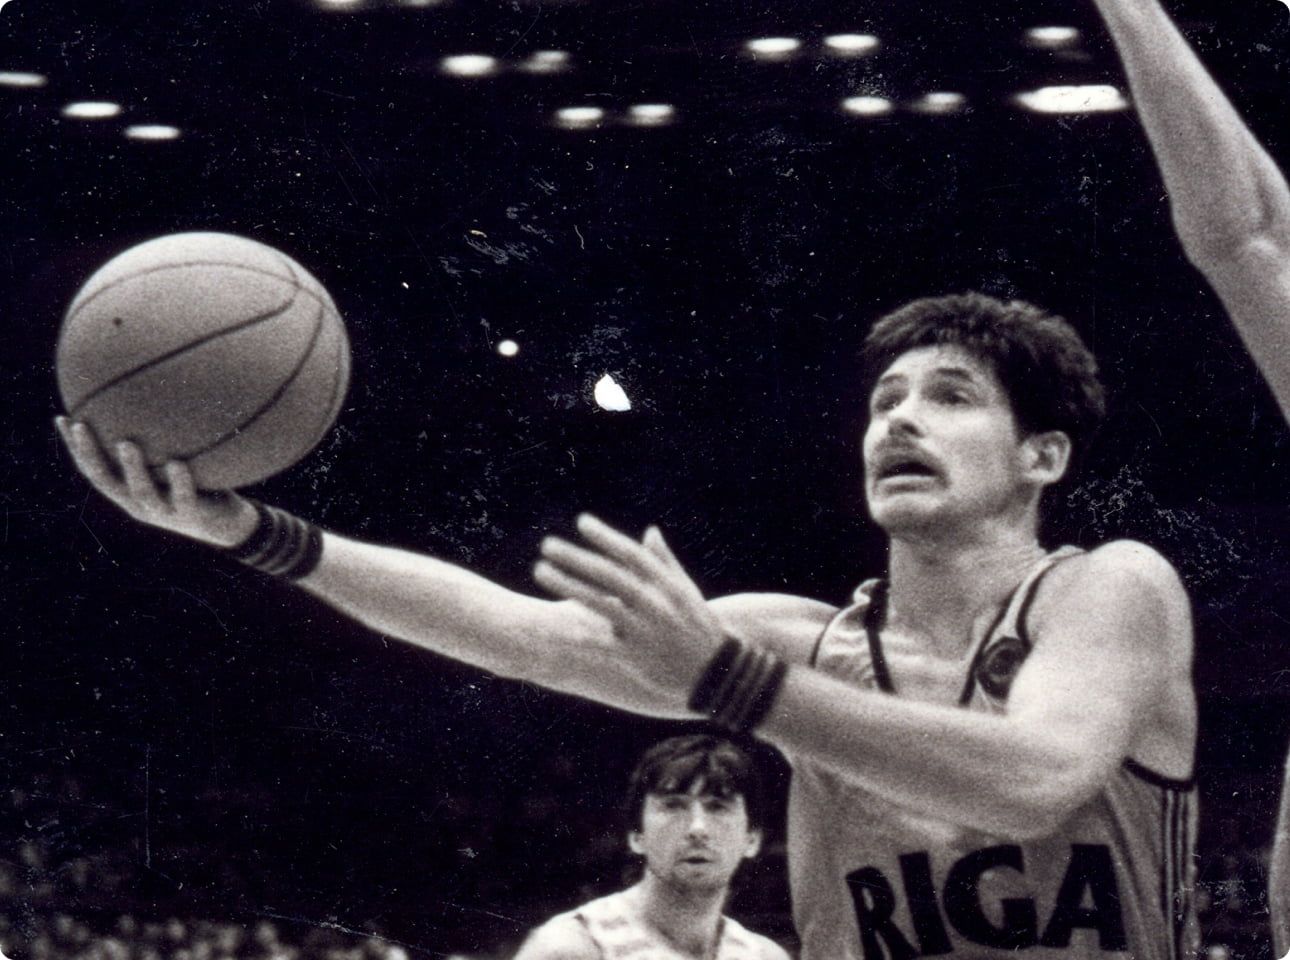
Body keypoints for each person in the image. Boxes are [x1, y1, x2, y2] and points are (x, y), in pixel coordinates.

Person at [56, 0, 1228, 955]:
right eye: (884, 401)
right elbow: (515, 635)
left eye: (951, 396)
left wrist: (729, 680)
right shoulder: (805, 643)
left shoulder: (1108, 591)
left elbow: (1036, 779)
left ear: (1042, 457)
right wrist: (254, 533)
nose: (899, 420)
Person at [511, 734, 790, 960]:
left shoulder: (764, 956)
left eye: (718, 807)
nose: (697, 828)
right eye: (673, 805)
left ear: (752, 839)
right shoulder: (573, 946)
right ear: (637, 835)